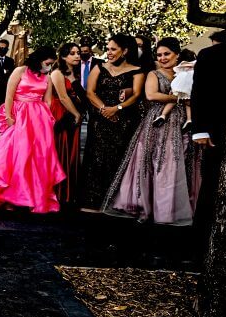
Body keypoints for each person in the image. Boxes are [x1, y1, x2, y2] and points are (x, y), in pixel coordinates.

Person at [104, 38, 194, 225]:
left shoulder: (186, 72)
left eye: (166, 54)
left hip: (181, 121)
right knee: (154, 161)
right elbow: (151, 95)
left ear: (177, 54)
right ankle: (147, 206)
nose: (162, 58)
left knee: (177, 162)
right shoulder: (154, 73)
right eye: (159, 55)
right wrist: (179, 98)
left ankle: (170, 209)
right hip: (157, 121)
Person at [0, 46, 66, 214]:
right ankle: (9, 197)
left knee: (37, 158)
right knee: (16, 156)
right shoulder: (20, 71)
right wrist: (9, 116)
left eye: (51, 64)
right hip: (20, 115)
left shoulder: (47, 77)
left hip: (39, 119)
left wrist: (44, 119)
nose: (49, 67)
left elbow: (47, 101)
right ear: (39, 60)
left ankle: (32, 197)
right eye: (48, 63)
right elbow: (9, 95)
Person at [79, 34, 146, 212]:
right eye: (108, 49)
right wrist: (104, 110)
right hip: (99, 120)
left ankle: (114, 202)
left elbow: (137, 95)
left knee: (118, 157)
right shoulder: (99, 67)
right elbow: (90, 92)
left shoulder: (137, 70)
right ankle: (90, 202)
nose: (108, 53)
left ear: (125, 51)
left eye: (113, 49)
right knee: (96, 158)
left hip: (123, 121)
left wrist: (117, 109)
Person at [190, 28, 226, 242]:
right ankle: (203, 239)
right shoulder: (210, 55)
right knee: (212, 184)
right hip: (217, 130)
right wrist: (200, 129)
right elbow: (199, 92)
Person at [49, 43, 84, 207]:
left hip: (73, 111)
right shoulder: (57, 73)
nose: (77, 56)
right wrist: (76, 113)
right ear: (63, 56)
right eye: (72, 53)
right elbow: (63, 97)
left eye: (78, 53)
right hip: (60, 113)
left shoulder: (75, 73)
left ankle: (67, 192)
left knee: (71, 149)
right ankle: (56, 191)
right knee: (60, 148)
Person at [154, 48, 195, 130]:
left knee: (172, 101)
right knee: (188, 104)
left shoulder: (181, 66)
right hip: (190, 88)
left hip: (180, 86)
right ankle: (189, 119)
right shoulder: (195, 66)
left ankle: (163, 115)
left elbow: (177, 73)